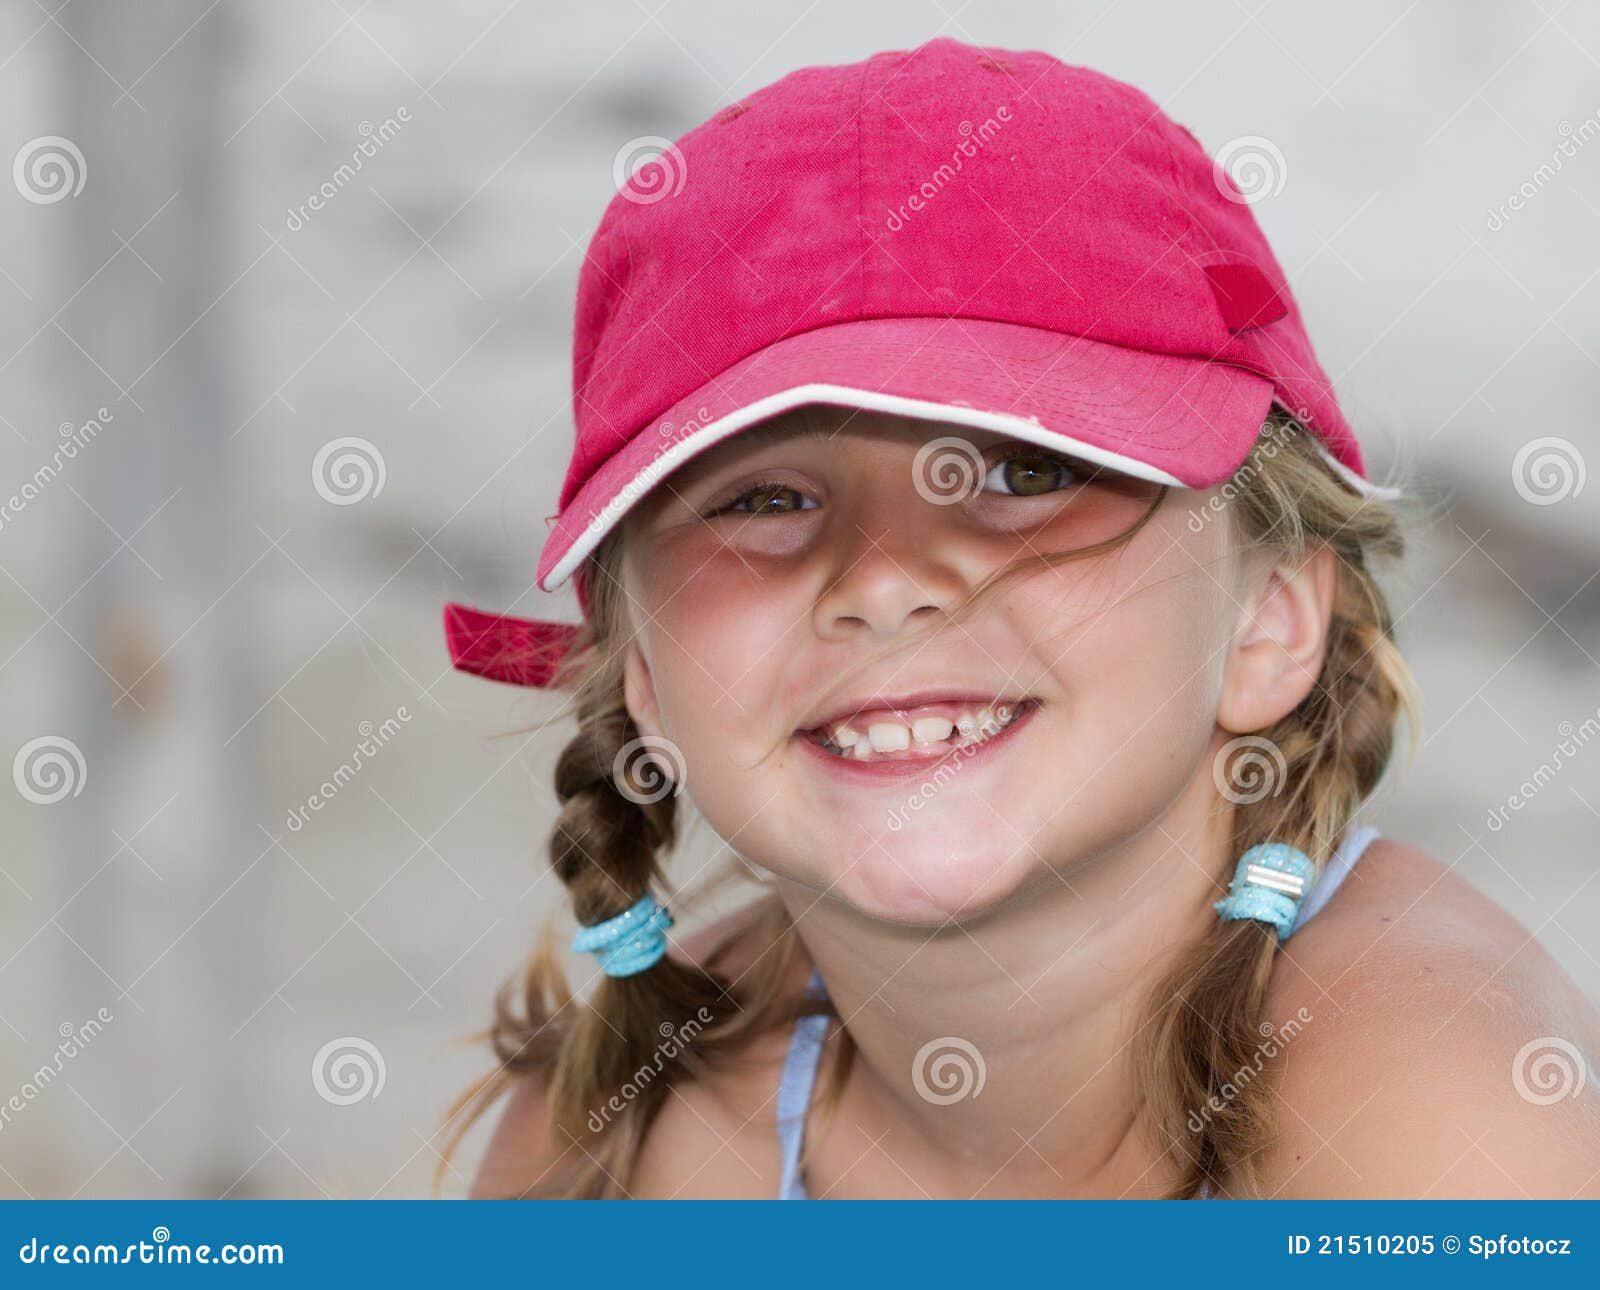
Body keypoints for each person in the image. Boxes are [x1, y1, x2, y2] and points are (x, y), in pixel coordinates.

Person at [435, 37, 1600, 1199]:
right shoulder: (616, 1138)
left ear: (1269, 617)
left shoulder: (1444, 1122)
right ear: (640, 670)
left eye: (1025, 476)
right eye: (766, 499)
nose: (882, 580)